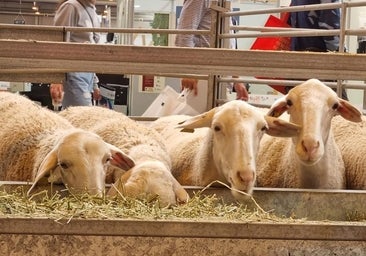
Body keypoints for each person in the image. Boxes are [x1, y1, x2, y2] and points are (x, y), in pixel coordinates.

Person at [175, 0, 249, 101]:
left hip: (221, 81)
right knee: (197, 115)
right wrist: (189, 71)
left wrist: (235, 78)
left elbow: (228, 42)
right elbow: (184, 35)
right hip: (201, 79)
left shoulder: (224, 2)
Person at [288, 0, 348, 100]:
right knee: (338, 105)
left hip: (297, 57)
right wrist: (342, 53)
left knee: (300, 105)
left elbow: (290, 20)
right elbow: (331, 29)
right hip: (320, 59)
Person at [51, 0, 101, 108]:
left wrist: (94, 84)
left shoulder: (91, 10)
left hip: (87, 74)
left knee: (81, 117)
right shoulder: (71, 6)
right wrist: (56, 78)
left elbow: (92, 48)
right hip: (73, 74)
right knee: (81, 118)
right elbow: (59, 42)